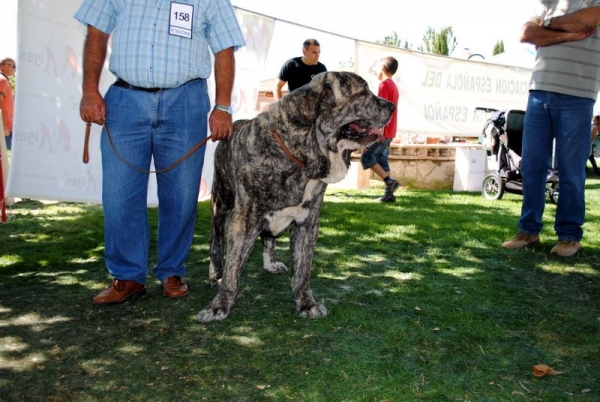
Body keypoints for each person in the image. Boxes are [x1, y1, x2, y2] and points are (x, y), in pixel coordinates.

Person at [74, 0, 245, 304]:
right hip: (124, 100)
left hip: (186, 100)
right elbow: (96, 31)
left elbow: (225, 48)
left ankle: (171, 271)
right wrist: (89, 90)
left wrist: (222, 106)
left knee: (181, 195)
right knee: (118, 195)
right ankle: (127, 277)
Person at [502, 1, 600, 257]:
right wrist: (570, 33)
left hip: (578, 94)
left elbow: (588, 20)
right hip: (539, 92)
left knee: (571, 169)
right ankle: (528, 231)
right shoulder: (550, 3)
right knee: (532, 166)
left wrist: (549, 28)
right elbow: (526, 34)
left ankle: (569, 237)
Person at [360, 57, 400, 202]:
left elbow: (382, 112)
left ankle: (390, 182)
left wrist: (377, 132)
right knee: (382, 160)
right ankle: (389, 194)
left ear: (383, 67)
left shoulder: (384, 85)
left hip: (382, 131)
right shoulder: (393, 85)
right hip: (390, 130)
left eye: (378, 66)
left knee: (366, 158)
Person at [0, 57, 16, 150]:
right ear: (4, 66)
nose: (15, 69)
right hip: (5, 128)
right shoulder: (3, 81)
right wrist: (3, 126)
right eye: (13, 66)